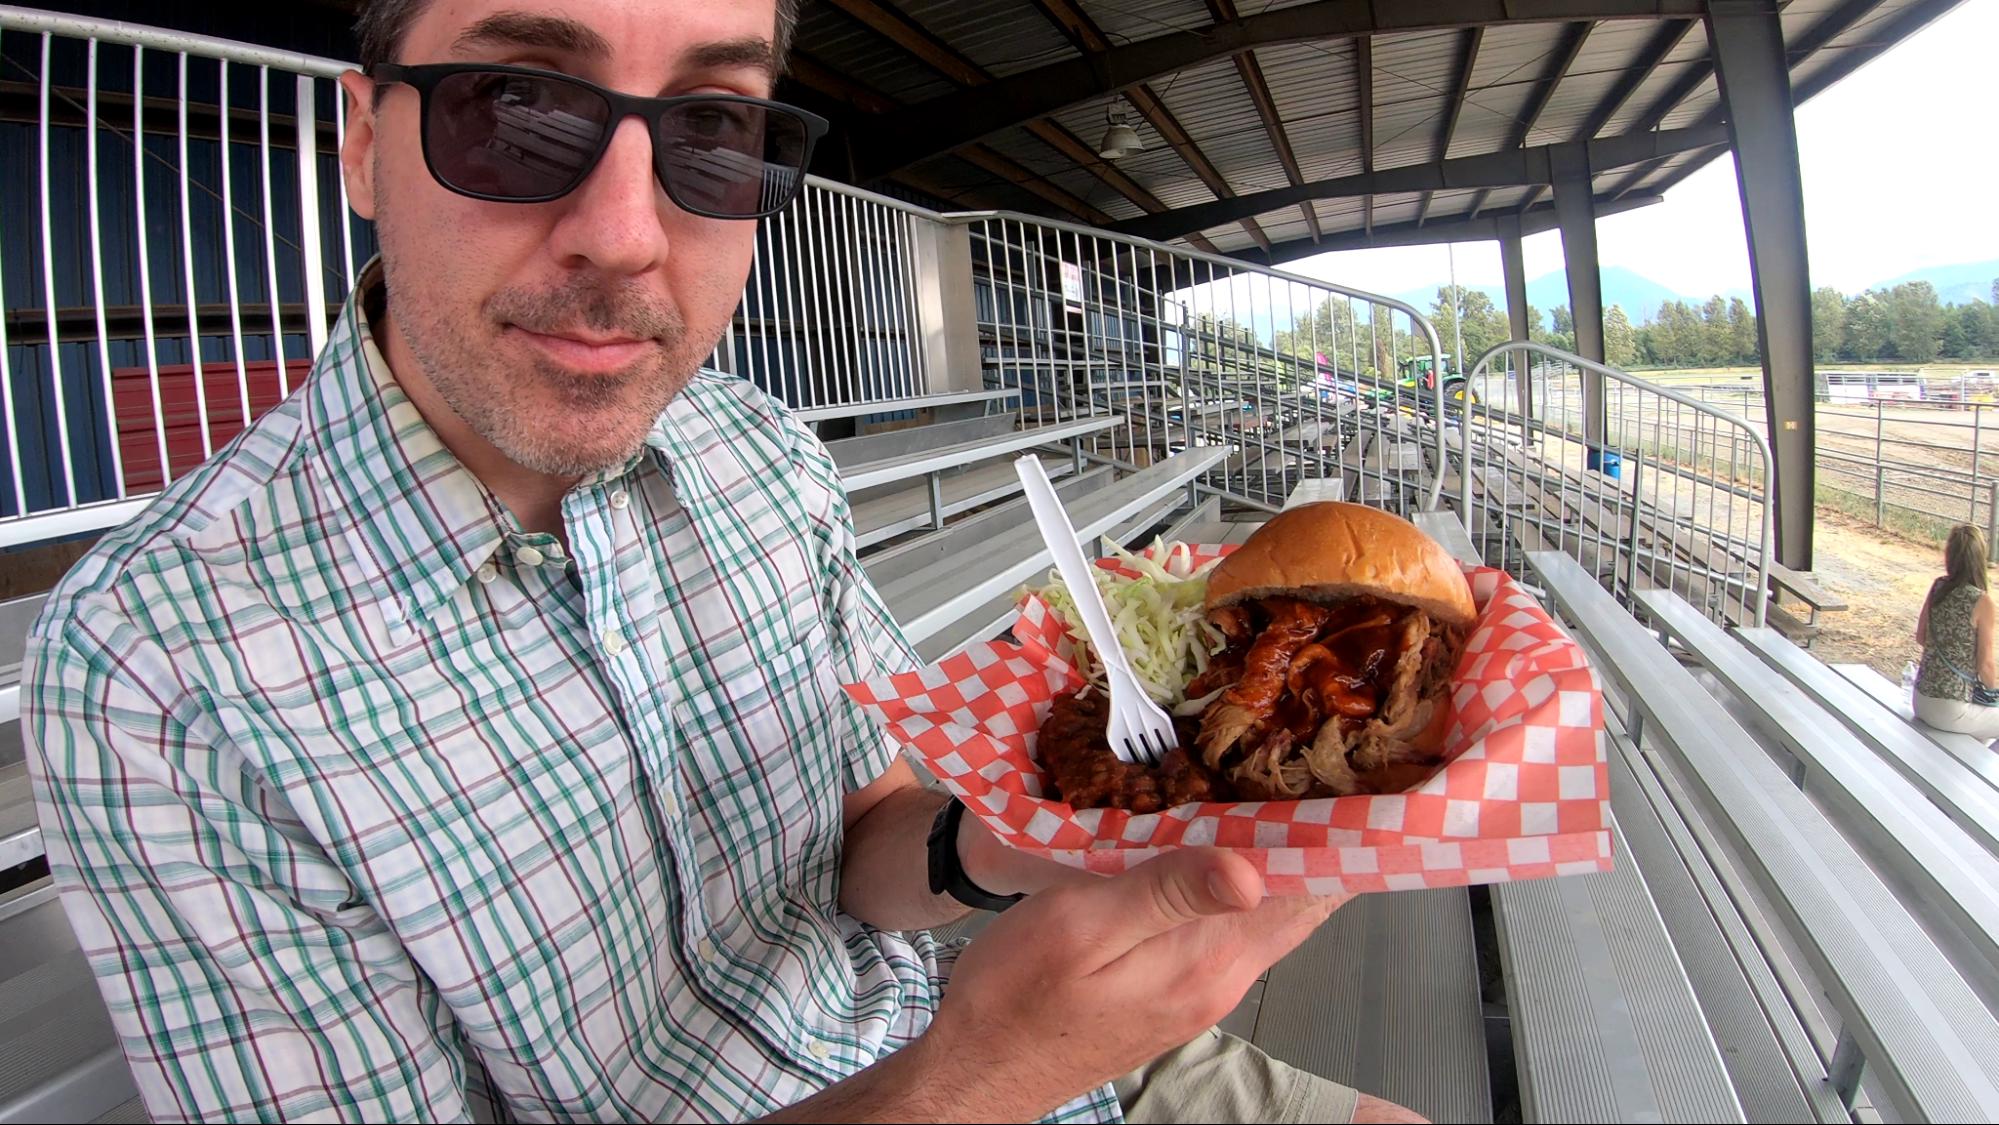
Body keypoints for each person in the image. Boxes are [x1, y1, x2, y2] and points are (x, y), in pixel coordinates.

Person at [21, 1, 1422, 1121]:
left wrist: (992, 843)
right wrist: (978, 1081)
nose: (625, 235)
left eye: (711, 126)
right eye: (516, 107)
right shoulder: (157, 664)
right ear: (364, 144)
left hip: (1009, 1035)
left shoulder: (756, 448)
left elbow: (866, 843)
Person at [1913, 524, 1999, 740]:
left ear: (1949, 555)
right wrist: (1993, 692)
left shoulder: (1937, 587)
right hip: (1951, 709)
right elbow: (1985, 666)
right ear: (1980, 558)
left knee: (1982, 726)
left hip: (1921, 700)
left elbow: (1921, 637)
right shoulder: (1982, 601)